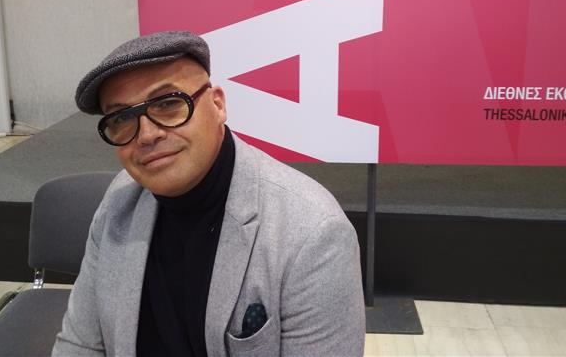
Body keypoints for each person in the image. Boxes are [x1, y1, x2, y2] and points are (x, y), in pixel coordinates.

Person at [52, 30, 365, 357]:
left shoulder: (312, 233)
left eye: (168, 104)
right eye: (122, 118)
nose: (146, 135)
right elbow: (81, 344)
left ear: (217, 105)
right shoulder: (119, 201)